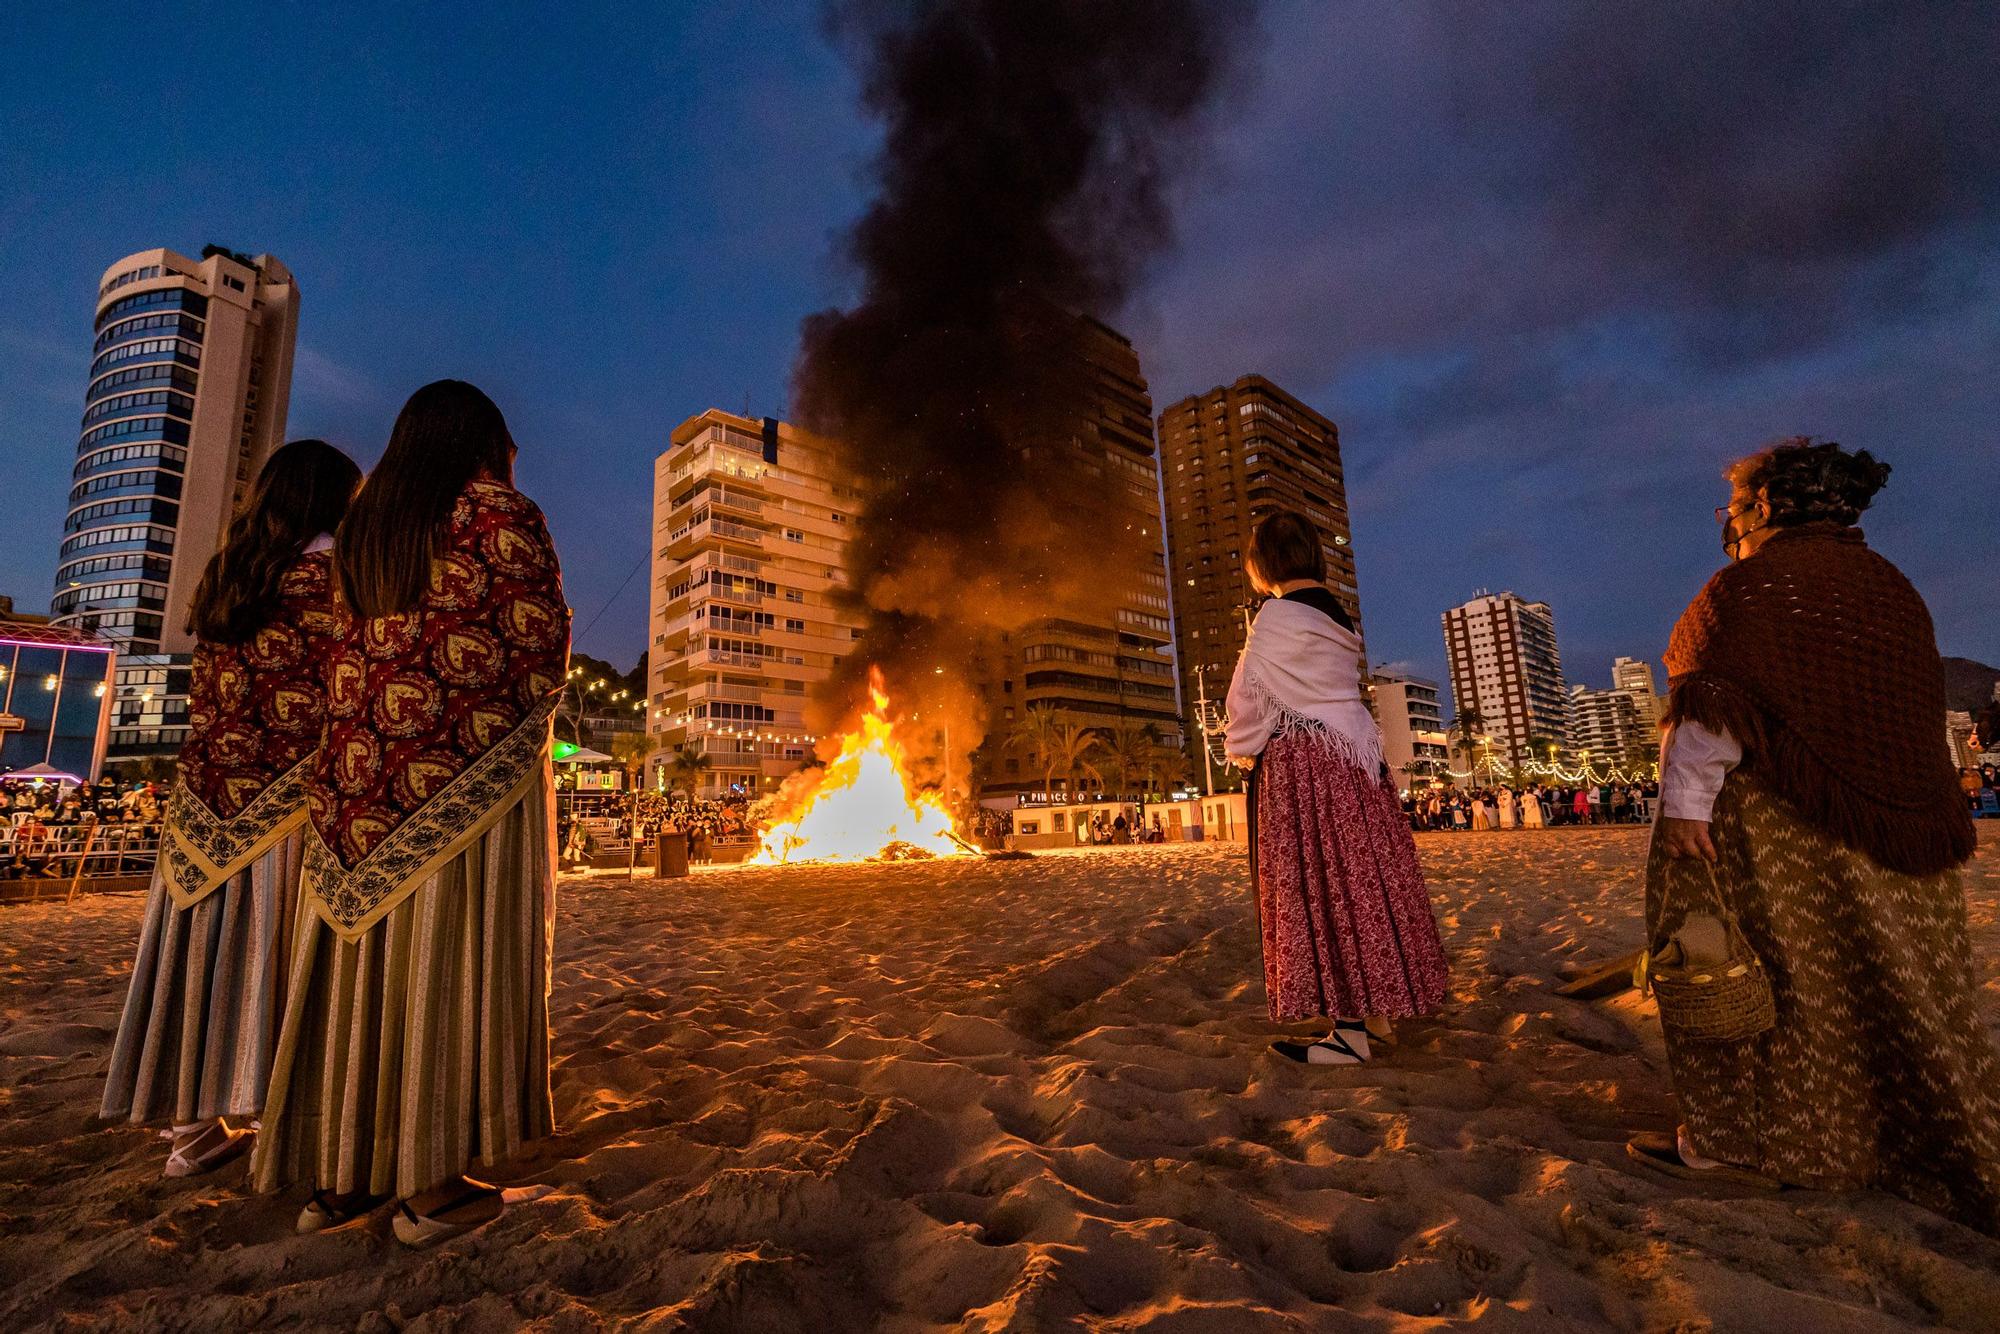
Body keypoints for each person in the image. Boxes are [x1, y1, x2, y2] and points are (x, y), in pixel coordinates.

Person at [1631, 438, 2000, 1231]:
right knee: (1894, 990)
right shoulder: (1892, 589)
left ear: (1763, 504)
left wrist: (1686, 810)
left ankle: (1752, 1146)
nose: (1728, 520)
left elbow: (1711, 713)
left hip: (1788, 833)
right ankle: (1898, 1138)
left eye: (1733, 505)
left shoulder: (1748, 589)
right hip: (1903, 829)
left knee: (1782, 988)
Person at [252, 382, 570, 1246]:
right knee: (444, 965)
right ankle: (430, 1190)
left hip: (352, 798)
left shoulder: (365, 530)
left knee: (362, 979)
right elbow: (537, 649)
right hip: (456, 787)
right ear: (488, 442)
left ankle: (342, 1182)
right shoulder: (501, 513)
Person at [101, 440, 362, 1177]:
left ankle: (190, 1130)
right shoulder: (329, 580)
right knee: (274, 954)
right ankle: (282, 1116)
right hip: (284, 802)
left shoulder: (229, 577)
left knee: (201, 953)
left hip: (203, 801)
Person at [1225, 510, 1448, 1066]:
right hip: (1355, 759)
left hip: (1305, 765)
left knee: (1320, 885)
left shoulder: (1274, 617)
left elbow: (1247, 701)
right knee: (1362, 881)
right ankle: (1377, 1015)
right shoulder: (1338, 616)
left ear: (1263, 564)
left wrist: (1242, 745)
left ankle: (1348, 1033)